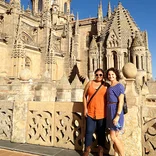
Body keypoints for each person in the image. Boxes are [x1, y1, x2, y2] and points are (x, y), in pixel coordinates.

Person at [83, 68, 109, 156]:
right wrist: (85, 108)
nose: (98, 76)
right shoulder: (90, 83)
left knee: (101, 132)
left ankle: (100, 151)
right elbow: (84, 95)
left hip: (102, 113)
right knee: (89, 131)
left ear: (103, 76)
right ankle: (87, 149)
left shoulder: (106, 85)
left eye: (100, 75)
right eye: (97, 75)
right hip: (90, 112)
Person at [106, 67, 125, 156]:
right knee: (116, 136)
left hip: (115, 112)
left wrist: (117, 116)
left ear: (116, 75)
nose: (111, 76)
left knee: (113, 137)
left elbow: (121, 101)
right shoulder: (110, 85)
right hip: (110, 111)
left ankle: (122, 154)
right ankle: (116, 154)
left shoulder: (119, 86)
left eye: (112, 74)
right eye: (109, 75)